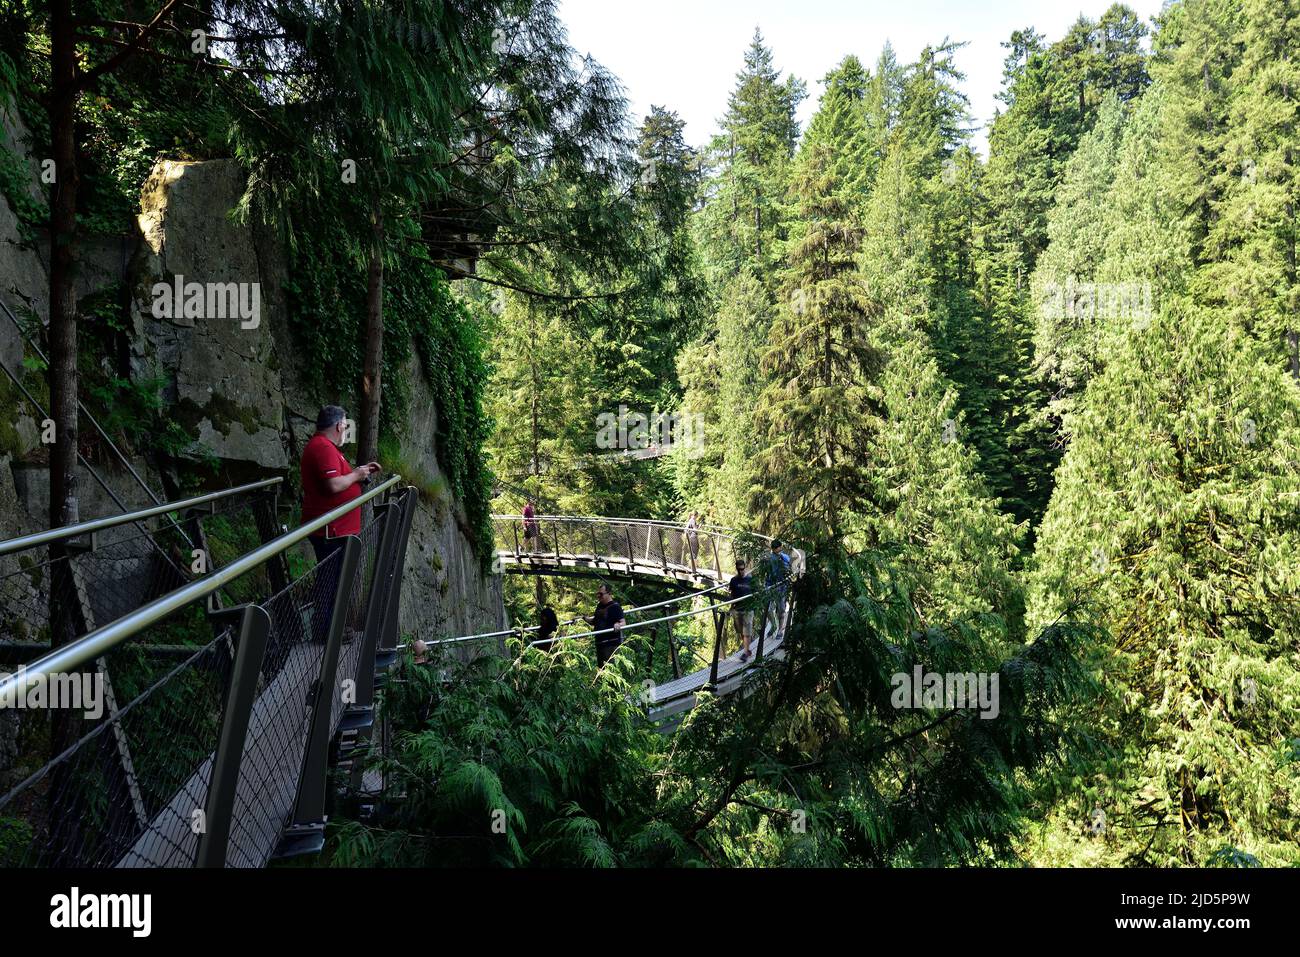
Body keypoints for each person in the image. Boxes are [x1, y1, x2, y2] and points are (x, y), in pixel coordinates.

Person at [301, 405, 379, 643]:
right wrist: (356, 475)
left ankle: (329, 629)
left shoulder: (328, 448)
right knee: (330, 581)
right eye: (345, 425)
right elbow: (333, 485)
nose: (346, 429)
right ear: (337, 425)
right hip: (330, 531)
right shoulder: (323, 448)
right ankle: (325, 632)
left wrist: (359, 474)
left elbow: (341, 482)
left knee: (334, 580)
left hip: (335, 529)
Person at [586, 583, 626, 667]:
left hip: (610, 645)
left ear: (609, 593)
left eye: (601, 594)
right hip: (600, 644)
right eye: (598, 594)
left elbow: (623, 622)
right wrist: (583, 618)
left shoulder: (615, 607)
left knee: (610, 670)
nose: (599, 596)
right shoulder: (599, 606)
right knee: (601, 670)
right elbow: (594, 621)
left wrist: (618, 624)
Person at [764, 539, 792, 640]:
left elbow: (789, 562)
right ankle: (773, 625)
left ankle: (780, 630)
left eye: (778, 548)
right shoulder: (769, 558)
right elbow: (766, 571)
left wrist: (780, 556)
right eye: (775, 548)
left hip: (781, 586)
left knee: (781, 609)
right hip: (770, 585)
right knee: (767, 608)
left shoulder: (784, 557)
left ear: (780, 548)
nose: (777, 550)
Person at [729, 559, 755, 662]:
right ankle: (747, 649)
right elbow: (732, 594)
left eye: (742, 569)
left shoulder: (751, 580)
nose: (741, 571)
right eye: (739, 569)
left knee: (746, 631)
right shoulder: (733, 580)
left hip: (748, 609)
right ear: (736, 569)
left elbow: (756, 592)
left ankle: (745, 653)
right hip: (737, 609)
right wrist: (731, 607)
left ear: (745, 567)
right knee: (741, 632)